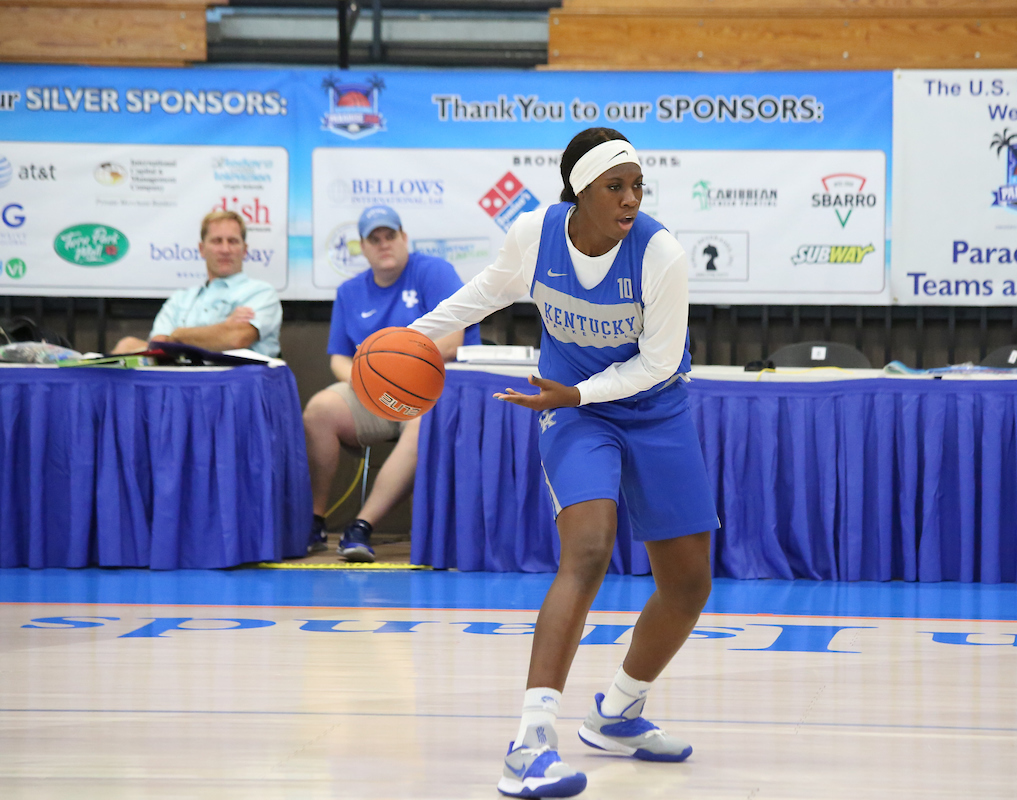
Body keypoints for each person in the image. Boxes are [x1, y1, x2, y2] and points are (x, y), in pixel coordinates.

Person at [408, 128, 719, 798]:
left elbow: (659, 363)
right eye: (616, 186)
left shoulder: (660, 254)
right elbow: (486, 292)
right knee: (589, 549)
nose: (631, 198)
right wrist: (410, 337)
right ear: (580, 191)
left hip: (652, 407)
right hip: (574, 410)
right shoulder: (535, 234)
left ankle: (618, 714)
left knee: (691, 582)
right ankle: (531, 743)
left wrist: (577, 391)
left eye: (638, 186)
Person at [303, 205, 481, 563]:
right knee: (319, 410)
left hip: (432, 392)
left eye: (390, 235)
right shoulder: (350, 291)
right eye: (374, 239)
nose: (384, 244)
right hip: (374, 391)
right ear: (363, 247)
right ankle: (315, 521)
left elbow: (452, 341)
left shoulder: (434, 272)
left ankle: (361, 526)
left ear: (404, 238)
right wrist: (368, 381)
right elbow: (339, 358)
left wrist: (394, 372)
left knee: (421, 422)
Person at [112, 210, 281, 357]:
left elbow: (236, 339)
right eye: (217, 241)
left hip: (238, 382)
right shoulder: (180, 299)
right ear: (201, 249)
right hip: (181, 380)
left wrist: (178, 335)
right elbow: (159, 346)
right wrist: (223, 329)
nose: (225, 249)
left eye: (233, 241)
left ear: (245, 250)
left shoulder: (262, 293)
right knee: (126, 346)